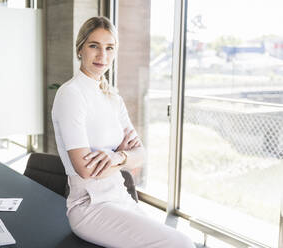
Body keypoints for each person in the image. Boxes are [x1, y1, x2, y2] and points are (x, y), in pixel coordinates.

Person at [52, 16, 195, 248]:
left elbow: (141, 155)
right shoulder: (71, 94)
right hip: (91, 206)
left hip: (121, 197)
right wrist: (123, 156)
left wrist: (118, 155)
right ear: (80, 49)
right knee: (183, 243)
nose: (102, 55)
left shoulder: (112, 98)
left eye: (109, 48)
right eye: (94, 46)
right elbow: (86, 170)